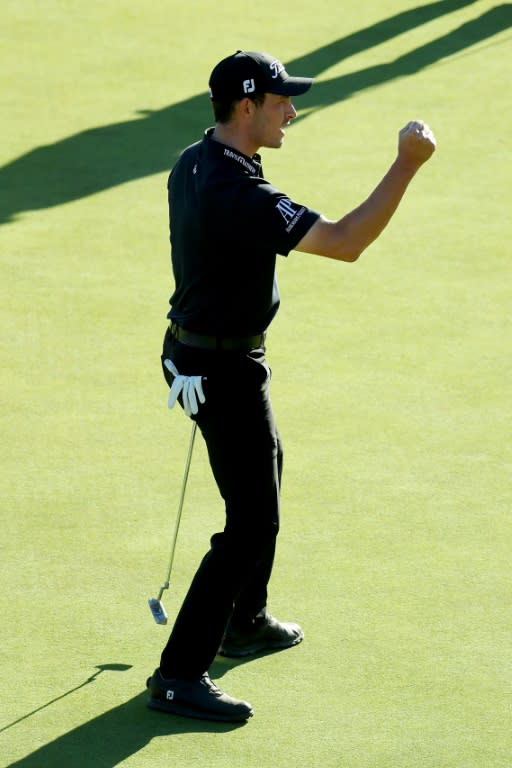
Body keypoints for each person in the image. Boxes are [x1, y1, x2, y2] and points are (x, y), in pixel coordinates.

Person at [146, 50, 436, 723]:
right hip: (220, 369)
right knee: (249, 524)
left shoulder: (196, 159)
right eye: (281, 102)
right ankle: (178, 673)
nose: (292, 112)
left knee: (266, 471)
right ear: (245, 107)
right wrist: (407, 164)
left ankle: (244, 620)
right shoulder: (239, 195)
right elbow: (345, 241)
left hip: (204, 355)